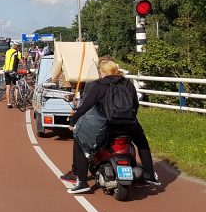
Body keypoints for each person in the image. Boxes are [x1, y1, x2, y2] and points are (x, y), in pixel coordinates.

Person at [65, 57, 161, 193]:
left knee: (81, 142)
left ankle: (82, 182)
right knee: (142, 143)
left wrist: (73, 122)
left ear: (103, 72)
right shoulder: (128, 84)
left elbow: (86, 106)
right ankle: (150, 175)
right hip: (129, 124)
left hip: (107, 126)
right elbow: (135, 104)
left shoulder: (99, 85)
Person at [3, 41, 23, 108]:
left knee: (8, 87)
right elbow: (22, 62)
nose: (19, 47)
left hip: (6, 71)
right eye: (18, 46)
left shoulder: (7, 51)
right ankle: (16, 102)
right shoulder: (18, 53)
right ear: (16, 46)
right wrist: (27, 69)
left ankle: (8, 103)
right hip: (13, 71)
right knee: (16, 85)